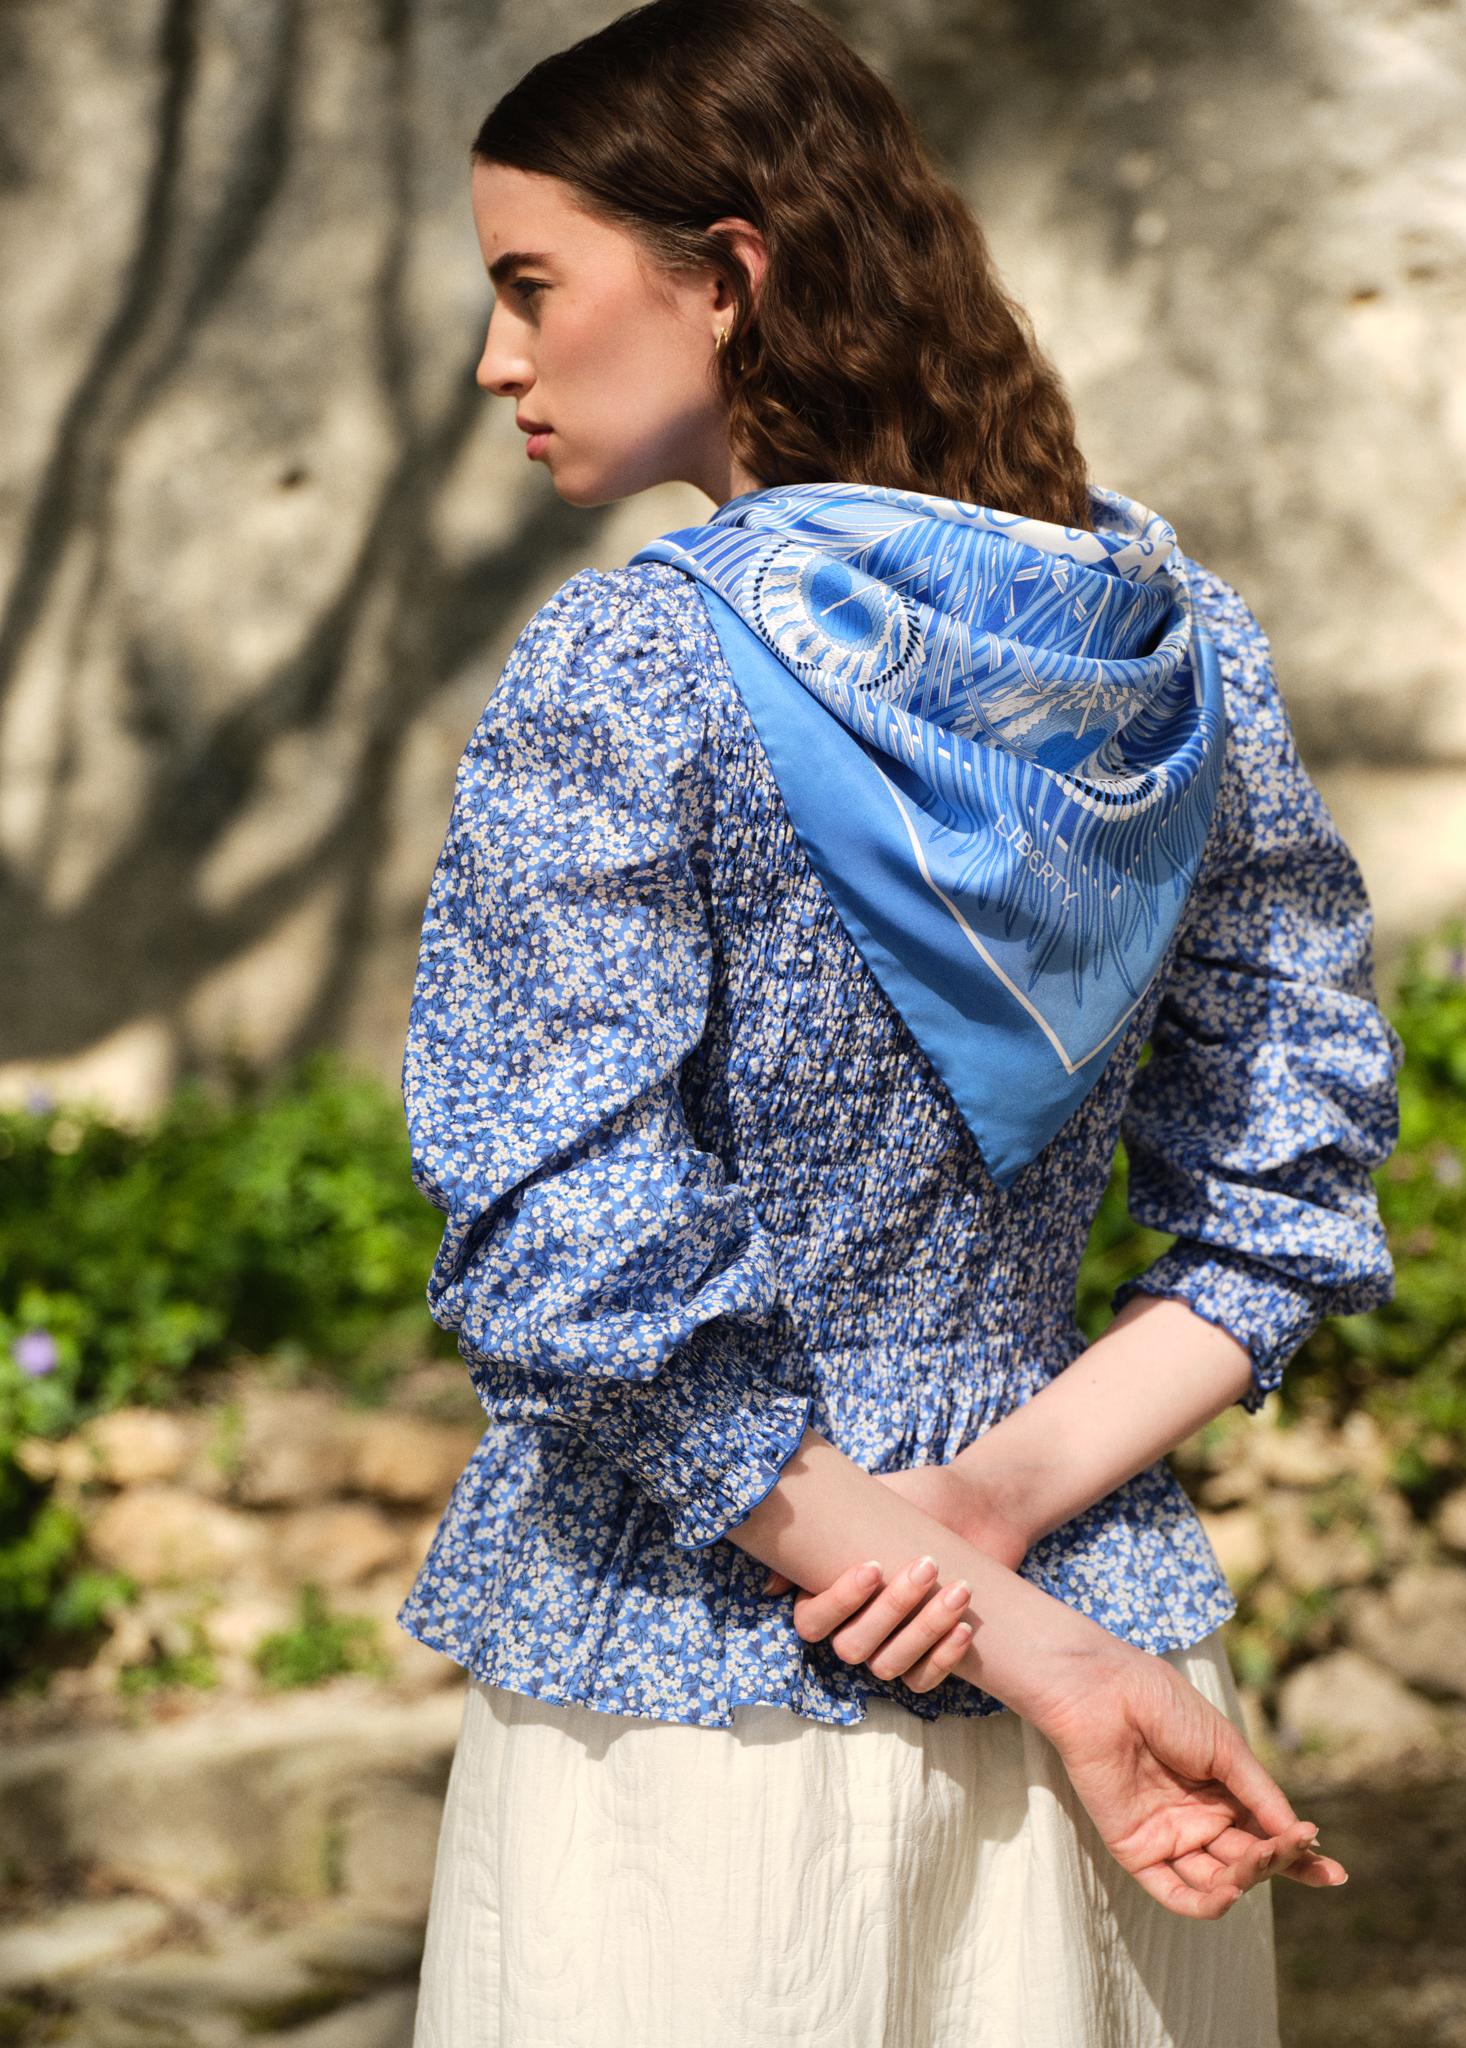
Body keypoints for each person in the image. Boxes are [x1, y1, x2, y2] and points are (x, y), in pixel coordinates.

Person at [397, 2, 1402, 2042]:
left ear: (727, 272)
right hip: (1099, 1646)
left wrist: (961, 1594)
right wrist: (1005, 1536)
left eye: (531, 284)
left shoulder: (629, 661)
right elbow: (1289, 1179)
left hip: (695, 1705)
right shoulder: (1172, 649)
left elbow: (560, 1234)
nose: (497, 358)